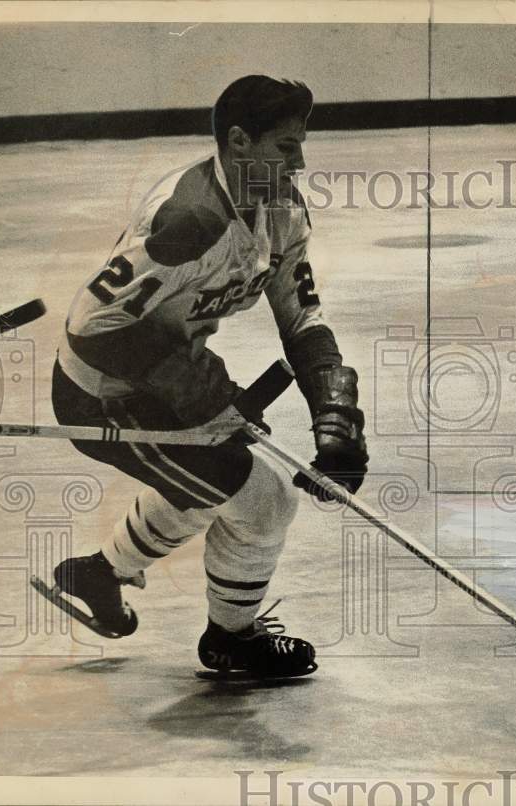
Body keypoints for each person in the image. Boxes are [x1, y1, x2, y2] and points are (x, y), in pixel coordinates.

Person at [48, 75, 368, 678]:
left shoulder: (281, 208)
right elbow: (93, 324)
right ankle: (232, 639)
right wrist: (203, 394)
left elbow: (302, 314)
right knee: (263, 496)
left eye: (301, 145)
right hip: (102, 393)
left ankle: (98, 573)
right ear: (240, 142)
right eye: (286, 148)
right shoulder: (188, 219)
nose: (300, 163)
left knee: (209, 484)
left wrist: (335, 409)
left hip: (164, 378)